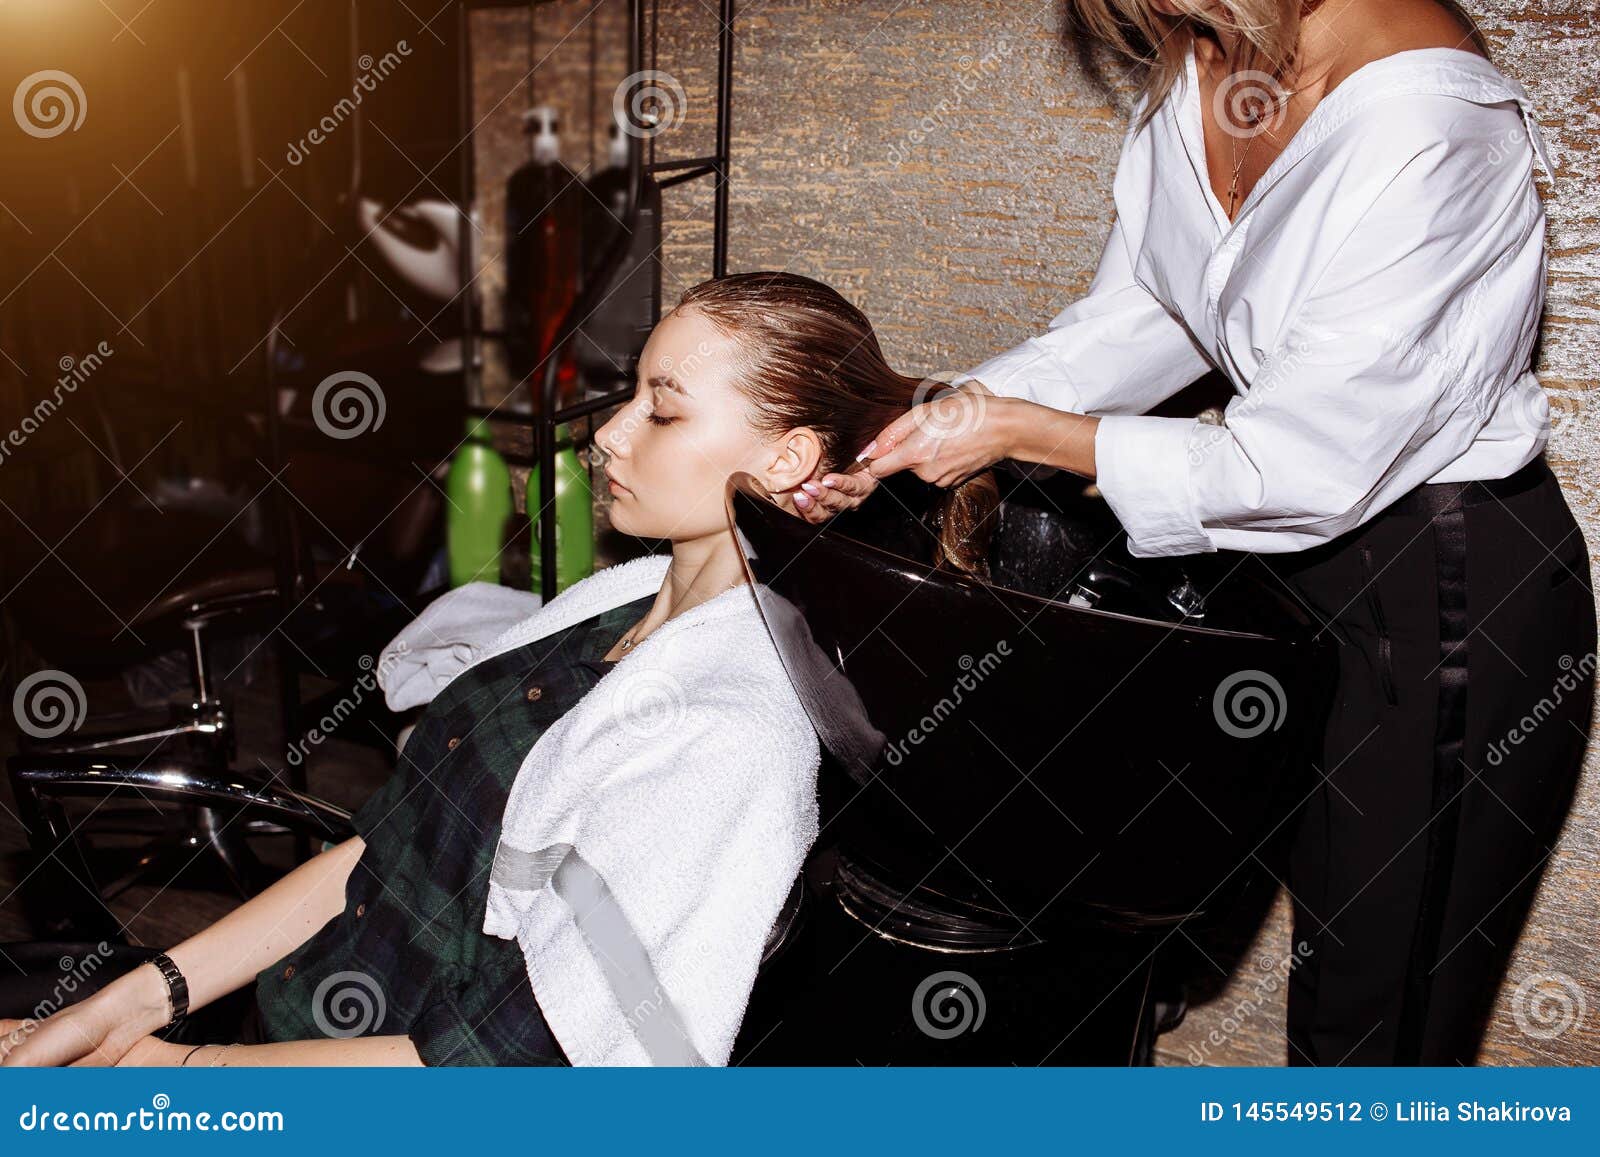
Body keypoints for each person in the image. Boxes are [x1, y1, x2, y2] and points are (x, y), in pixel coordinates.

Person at [811, 0, 1596, 1066]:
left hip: (1440, 597)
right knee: (1136, 924)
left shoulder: (1429, 124)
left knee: (1373, 1033)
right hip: (1266, 564)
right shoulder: (1204, 46)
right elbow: (1152, 308)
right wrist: (951, 414)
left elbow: (1300, 465)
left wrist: (1031, 430)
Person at [0, 271, 986, 1068]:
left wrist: (170, 1081)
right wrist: (138, 996)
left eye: (663, 411)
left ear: (787, 458)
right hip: (290, 1027)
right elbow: (384, 846)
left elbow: (507, 1063)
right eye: (634, 393)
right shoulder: (610, 606)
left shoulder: (726, 737)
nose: (607, 432)